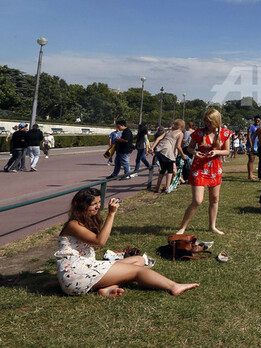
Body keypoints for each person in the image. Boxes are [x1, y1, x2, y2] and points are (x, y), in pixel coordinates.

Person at [56, 188, 198, 297]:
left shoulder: (84, 220)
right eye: (94, 204)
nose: (98, 206)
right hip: (75, 275)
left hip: (84, 268)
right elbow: (100, 241)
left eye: (99, 202)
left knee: (139, 260)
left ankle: (107, 288)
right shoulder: (73, 224)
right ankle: (173, 286)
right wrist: (111, 214)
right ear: (81, 205)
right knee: (137, 271)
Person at [176, 109, 232, 235]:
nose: (207, 123)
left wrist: (216, 152)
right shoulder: (199, 132)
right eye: (206, 121)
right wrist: (195, 152)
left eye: (210, 121)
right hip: (199, 167)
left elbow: (227, 151)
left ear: (217, 121)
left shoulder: (225, 133)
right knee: (197, 200)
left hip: (215, 168)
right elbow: (189, 148)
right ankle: (182, 227)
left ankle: (212, 226)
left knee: (214, 198)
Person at [152, 119, 185, 193]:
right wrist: (183, 155)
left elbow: (159, 138)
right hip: (167, 152)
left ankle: (158, 187)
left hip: (159, 150)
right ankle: (168, 188)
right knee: (170, 170)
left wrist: (152, 147)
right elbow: (178, 146)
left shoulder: (168, 131)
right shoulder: (180, 133)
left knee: (163, 169)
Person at [246, 115, 261, 180]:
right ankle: (250, 175)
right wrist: (251, 145)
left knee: (253, 159)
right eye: (256, 120)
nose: (257, 121)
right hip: (251, 145)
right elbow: (249, 136)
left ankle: (251, 173)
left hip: (256, 145)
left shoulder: (259, 127)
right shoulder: (251, 127)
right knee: (251, 159)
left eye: (258, 120)